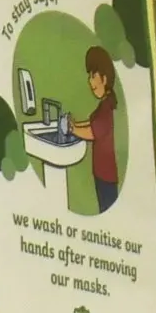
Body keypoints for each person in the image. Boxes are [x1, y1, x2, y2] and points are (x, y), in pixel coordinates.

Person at [66, 44, 122, 211]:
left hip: (106, 176)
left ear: (104, 79)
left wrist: (73, 130)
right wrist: (75, 124)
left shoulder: (106, 109)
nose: (90, 81)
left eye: (93, 76)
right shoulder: (103, 105)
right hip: (101, 173)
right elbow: (90, 123)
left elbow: (92, 132)